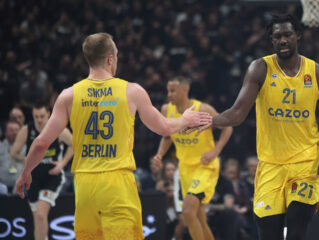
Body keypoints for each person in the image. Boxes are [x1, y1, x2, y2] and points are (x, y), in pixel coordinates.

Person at [15, 32, 211, 240]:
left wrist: (26, 172)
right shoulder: (131, 91)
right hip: (117, 184)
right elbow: (163, 128)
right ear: (110, 59)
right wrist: (185, 119)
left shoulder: (68, 95)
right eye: (116, 54)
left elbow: (40, 143)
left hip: (84, 186)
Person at [192, 14, 319, 240]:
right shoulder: (260, 68)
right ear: (271, 40)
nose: (283, 40)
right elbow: (238, 113)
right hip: (270, 164)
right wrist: (211, 120)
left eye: (288, 34)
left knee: (298, 225)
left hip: (306, 163)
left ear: (297, 35)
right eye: (277, 36)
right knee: (269, 233)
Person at [152, 76, 233, 240]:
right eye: (168, 90)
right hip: (185, 168)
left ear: (185, 90)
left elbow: (227, 127)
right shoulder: (167, 109)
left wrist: (215, 152)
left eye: (173, 90)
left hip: (205, 166)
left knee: (188, 211)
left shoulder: (202, 109)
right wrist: (160, 154)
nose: (169, 94)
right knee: (200, 218)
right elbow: (167, 136)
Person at [10, 102, 73, 240]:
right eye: (36, 116)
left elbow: (75, 145)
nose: (39, 120)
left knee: (40, 214)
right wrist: (28, 160)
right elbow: (13, 154)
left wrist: (62, 163)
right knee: (37, 219)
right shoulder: (27, 130)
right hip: (32, 179)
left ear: (49, 114)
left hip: (52, 177)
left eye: (42, 116)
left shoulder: (59, 130)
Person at [0, 121, 25, 193]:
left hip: (20, 187)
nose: (14, 133)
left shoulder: (27, 148)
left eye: (16, 130)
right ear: (5, 133)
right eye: (11, 130)